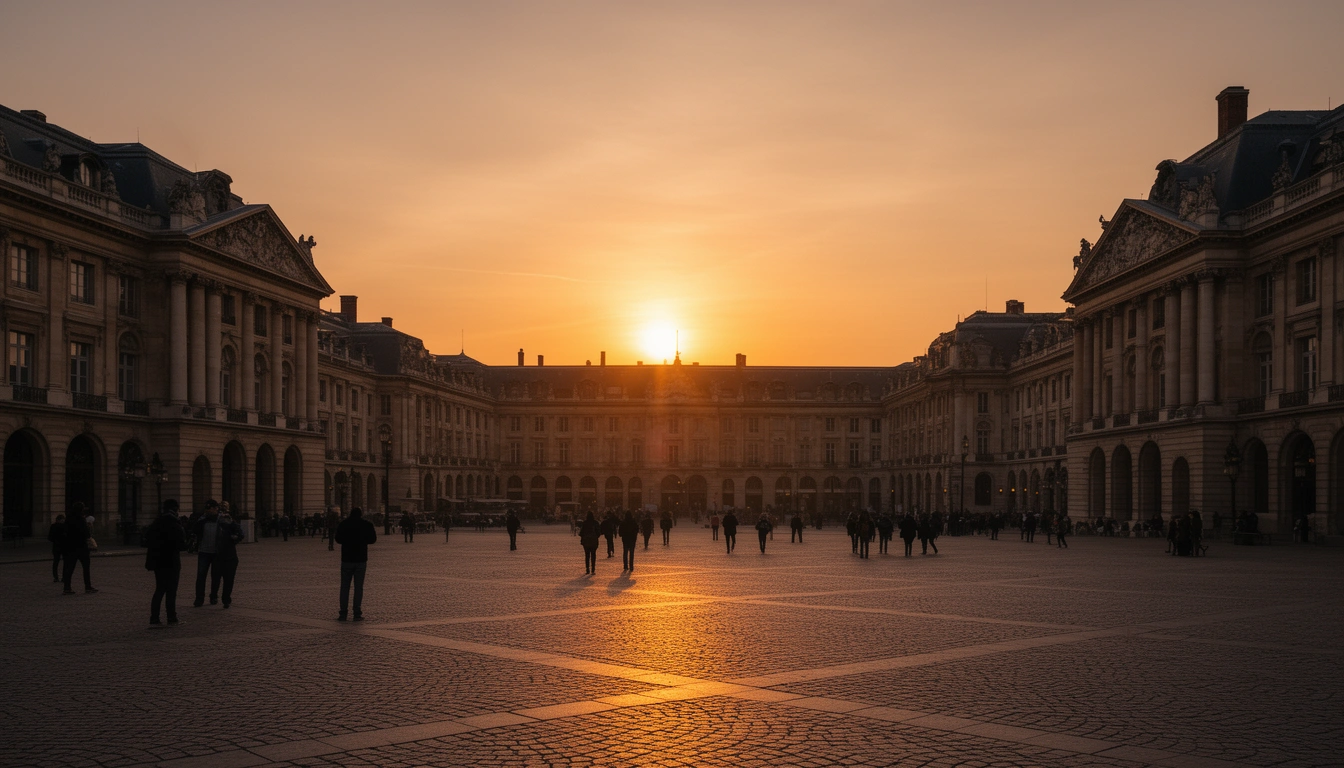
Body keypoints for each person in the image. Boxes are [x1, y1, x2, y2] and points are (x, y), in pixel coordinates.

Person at [144, 500, 187, 626]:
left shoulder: (157, 522)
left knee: (160, 589)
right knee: (171, 590)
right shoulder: (174, 522)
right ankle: (171, 617)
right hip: (171, 560)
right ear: (175, 509)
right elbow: (181, 543)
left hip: (158, 561)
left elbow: (147, 538)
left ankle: (154, 618)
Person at [335, 507, 378, 621]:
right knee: (358, 587)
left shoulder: (344, 524)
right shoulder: (366, 524)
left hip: (347, 559)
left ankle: (343, 613)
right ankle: (357, 612)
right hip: (360, 559)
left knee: (344, 587)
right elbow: (373, 539)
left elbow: (338, 539)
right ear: (361, 514)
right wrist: (362, 540)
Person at [190, 500, 225, 607]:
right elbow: (194, 530)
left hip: (216, 552)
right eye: (208, 508)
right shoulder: (202, 520)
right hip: (204, 552)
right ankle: (199, 598)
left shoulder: (222, 520)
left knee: (216, 576)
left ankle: (213, 596)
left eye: (212, 508)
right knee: (201, 576)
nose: (209, 510)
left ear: (216, 509)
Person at [62, 503, 96, 595]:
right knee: (86, 567)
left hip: (70, 546)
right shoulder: (81, 519)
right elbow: (86, 534)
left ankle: (67, 587)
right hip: (81, 546)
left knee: (70, 568)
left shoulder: (68, 518)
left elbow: (65, 531)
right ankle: (88, 586)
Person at [48, 514, 65, 582]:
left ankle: (56, 577)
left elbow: (50, 537)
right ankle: (63, 577)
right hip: (64, 546)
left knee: (56, 562)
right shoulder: (64, 526)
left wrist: (55, 540)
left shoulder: (53, 526)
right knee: (65, 563)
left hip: (56, 546)